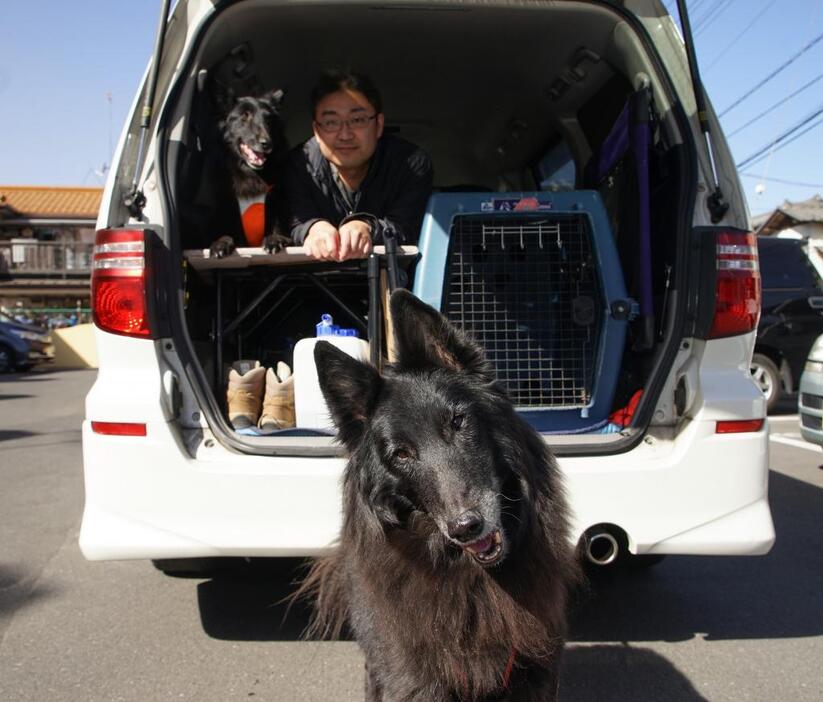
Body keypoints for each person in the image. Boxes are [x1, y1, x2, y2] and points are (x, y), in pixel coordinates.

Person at [283, 69, 433, 261]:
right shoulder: (298, 165)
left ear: (378, 125)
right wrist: (313, 228)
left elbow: (407, 227)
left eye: (358, 120)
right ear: (316, 131)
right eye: (331, 122)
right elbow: (294, 220)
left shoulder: (411, 165)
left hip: (391, 283)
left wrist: (367, 227)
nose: (345, 135)